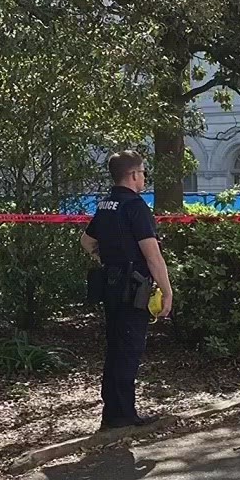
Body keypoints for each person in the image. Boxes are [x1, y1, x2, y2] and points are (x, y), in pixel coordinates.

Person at [79, 150, 174, 431]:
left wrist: (108, 258)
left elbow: (86, 241)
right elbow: (153, 255)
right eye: (143, 172)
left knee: (115, 347)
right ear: (133, 175)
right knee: (129, 349)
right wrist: (167, 291)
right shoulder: (136, 206)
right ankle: (124, 415)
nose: (144, 177)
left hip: (110, 284)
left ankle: (112, 411)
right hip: (133, 287)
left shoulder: (105, 204)